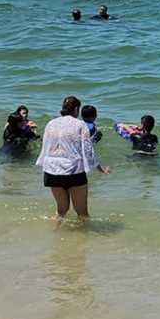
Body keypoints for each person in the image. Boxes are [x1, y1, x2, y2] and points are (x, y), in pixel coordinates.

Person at [36, 96, 110, 228]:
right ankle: (83, 242)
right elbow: (88, 152)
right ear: (76, 109)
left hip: (51, 172)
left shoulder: (51, 123)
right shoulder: (80, 124)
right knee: (82, 213)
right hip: (73, 172)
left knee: (61, 211)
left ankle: (54, 235)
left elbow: (46, 148)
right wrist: (100, 169)